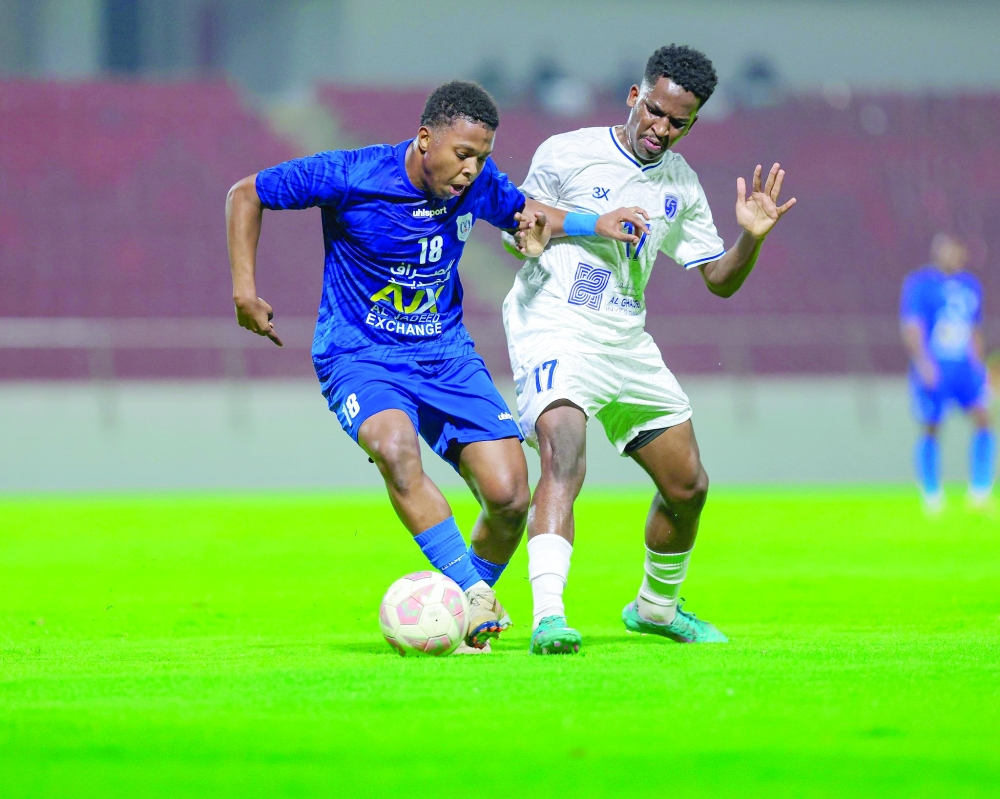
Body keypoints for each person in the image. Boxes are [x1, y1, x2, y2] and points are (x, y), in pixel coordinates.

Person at [226, 81, 648, 651]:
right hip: (360, 355)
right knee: (396, 448)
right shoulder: (352, 173)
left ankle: (461, 608)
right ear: (426, 139)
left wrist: (593, 224)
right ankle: (474, 595)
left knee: (509, 499)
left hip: (446, 356)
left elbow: (527, 213)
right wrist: (245, 292)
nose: (472, 169)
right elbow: (246, 192)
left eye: (483, 157)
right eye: (463, 154)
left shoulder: (475, 186)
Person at [501, 45, 796, 655]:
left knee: (688, 486)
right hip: (554, 323)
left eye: (678, 121)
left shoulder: (681, 184)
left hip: (625, 340)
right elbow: (519, 222)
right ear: (635, 97)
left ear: (692, 122)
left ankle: (656, 609)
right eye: (655, 111)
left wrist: (750, 239)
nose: (662, 128)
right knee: (564, 457)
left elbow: (718, 277)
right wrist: (590, 221)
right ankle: (549, 618)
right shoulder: (567, 152)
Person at [900, 234, 995, 512]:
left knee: (983, 419)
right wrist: (924, 364)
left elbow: (974, 330)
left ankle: (980, 491)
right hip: (936, 364)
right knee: (931, 424)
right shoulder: (920, 284)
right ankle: (931, 494)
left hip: (965, 367)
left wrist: (980, 366)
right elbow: (913, 327)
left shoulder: (971, 286)